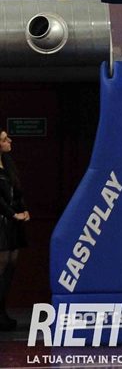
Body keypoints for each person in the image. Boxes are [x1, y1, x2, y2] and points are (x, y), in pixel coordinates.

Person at [0, 130, 28, 331]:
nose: (9, 140)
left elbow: (17, 192)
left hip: (11, 224)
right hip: (2, 221)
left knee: (11, 266)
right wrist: (12, 214)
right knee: (1, 267)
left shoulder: (8, 164)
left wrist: (23, 209)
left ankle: (2, 312)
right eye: (4, 139)